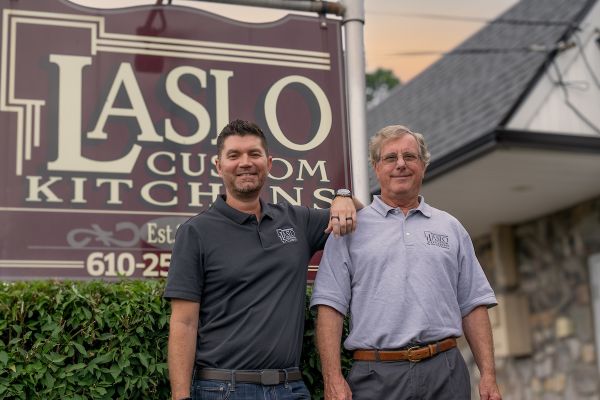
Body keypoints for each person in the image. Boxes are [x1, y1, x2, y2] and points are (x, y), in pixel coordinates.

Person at [164, 119, 361, 400]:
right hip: (222, 390)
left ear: (268, 162)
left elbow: (365, 216)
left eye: (254, 154)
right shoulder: (195, 232)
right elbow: (184, 323)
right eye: (234, 155)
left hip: (290, 388)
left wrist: (344, 198)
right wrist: (180, 397)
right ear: (218, 166)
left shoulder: (297, 221)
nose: (245, 162)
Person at [310, 125, 502, 400]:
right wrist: (333, 378)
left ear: (423, 165)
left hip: (445, 372)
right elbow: (330, 307)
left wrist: (489, 376)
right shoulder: (350, 229)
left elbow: (473, 304)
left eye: (410, 157)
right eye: (390, 158)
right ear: (376, 168)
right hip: (376, 377)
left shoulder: (451, 227)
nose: (401, 164)